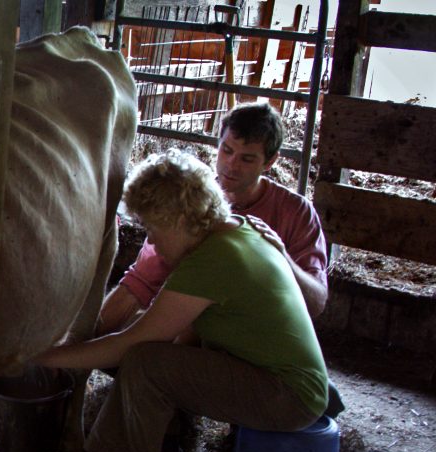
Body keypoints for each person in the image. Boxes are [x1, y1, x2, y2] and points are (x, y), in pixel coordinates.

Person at [34, 150, 330, 452]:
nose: (153, 244)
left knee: (146, 363)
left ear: (177, 219)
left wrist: (46, 356)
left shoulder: (211, 261)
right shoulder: (237, 232)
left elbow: (132, 344)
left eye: (152, 230)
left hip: (288, 397)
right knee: (155, 359)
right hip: (285, 381)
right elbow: (179, 335)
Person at [98, 102, 329, 337]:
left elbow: (316, 302)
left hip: (255, 337)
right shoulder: (191, 198)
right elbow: (141, 281)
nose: (232, 165)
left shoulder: (296, 212)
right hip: (194, 325)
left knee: (139, 354)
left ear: (270, 162)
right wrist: (85, 338)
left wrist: (282, 259)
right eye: (227, 150)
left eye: (247, 159)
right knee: (127, 340)